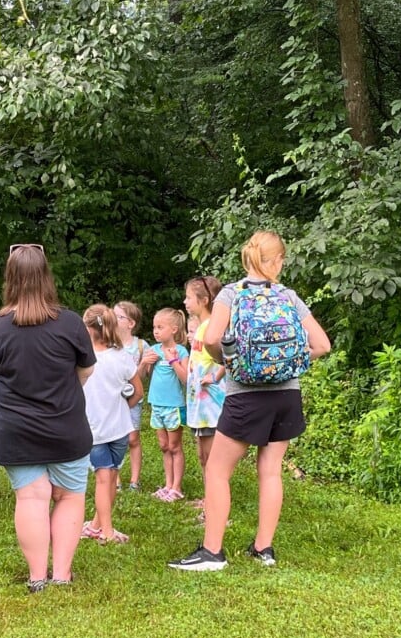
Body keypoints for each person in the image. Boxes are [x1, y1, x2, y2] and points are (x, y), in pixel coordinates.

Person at [168, 230, 331, 571]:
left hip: (247, 395)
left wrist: (228, 361)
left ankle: (212, 552)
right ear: (278, 261)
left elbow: (211, 337)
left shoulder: (232, 293)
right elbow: (322, 345)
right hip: (288, 394)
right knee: (270, 471)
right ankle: (263, 549)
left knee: (217, 470)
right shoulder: (289, 297)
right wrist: (288, 364)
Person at [0, 244, 96, 593]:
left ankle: (36, 578)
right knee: (70, 497)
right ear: (47, 276)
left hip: (17, 431)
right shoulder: (71, 323)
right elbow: (86, 370)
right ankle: (61, 574)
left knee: (31, 499)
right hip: (67, 427)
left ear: (10, 279)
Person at [80, 304, 143, 543]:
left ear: (88, 329)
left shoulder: (82, 360)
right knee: (111, 476)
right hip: (119, 429)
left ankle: (104, 530)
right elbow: (137, 391)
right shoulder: (122, 356)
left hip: (93, 429)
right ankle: (99, 525)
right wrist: (122, 408)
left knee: (104, 479)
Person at [183, 276, 227, 508]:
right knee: (203, 456)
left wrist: (216, 376)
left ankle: (215, 504)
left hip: (212, 405)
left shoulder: (213, 328)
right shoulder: (200, 327)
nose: (185, 301)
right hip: (199, 406)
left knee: (212, 459)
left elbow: (230, 356)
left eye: (189, 297)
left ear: (205, 300)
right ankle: (208, 498)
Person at [141, 308, 189, 502]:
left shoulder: (181, 351)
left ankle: (177, 487)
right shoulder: (153, 350)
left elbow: (186, 379)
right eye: (154, 327)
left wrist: (173, 360)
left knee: (175, 446)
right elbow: (139, 377)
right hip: (156, 405)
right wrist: (144, 362)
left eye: (160, 327)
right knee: (163, 446)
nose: (156, 331)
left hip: (174, 406)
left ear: (174, 329)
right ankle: (167, 484)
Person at [113, 301, 148, 492]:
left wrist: (142, 365)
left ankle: (135, 480)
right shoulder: (108, 344)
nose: (113, 318)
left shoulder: (141, 346)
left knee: (133, 438)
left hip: (134, 399)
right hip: (112, 400)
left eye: (118, 316)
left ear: (130, 323)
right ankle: (115, 479)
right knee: (114, 438)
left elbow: (142, 378)